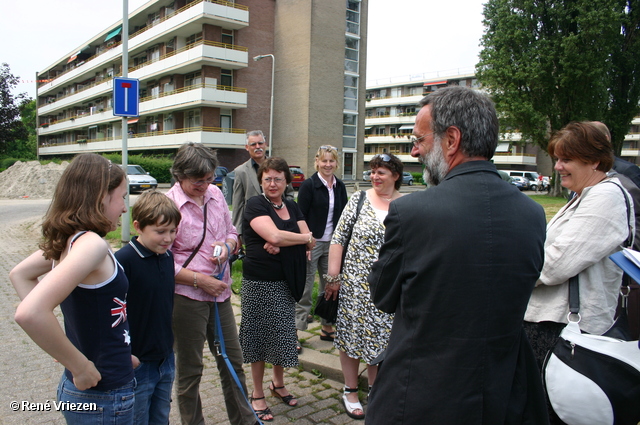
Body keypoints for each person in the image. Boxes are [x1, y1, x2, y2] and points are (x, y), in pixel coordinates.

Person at [367, 86, 549, 424]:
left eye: (420, 140)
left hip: (421, 396)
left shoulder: (411, 212)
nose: (415, 151)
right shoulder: (532, 214)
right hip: (503, 398)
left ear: (451, 140)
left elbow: (383, 295)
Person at [9, 153, 136, 424]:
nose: (125, 208)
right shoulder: (91, 245)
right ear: (102, 196)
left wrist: (64, 348)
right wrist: (79, 365)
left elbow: (20, 274)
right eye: (122, 196)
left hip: (93, 390)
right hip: (102, 395)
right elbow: (30, 313)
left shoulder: (70, 241)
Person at [524, 122, 634, 424]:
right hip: (552, 325)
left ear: (595, 160)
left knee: (555, 414)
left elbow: (556, 263)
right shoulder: (585, 194)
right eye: (557, 158)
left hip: (567, 331)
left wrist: (507, 270)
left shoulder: (605, 197)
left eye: (566, 159)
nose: (558, 166)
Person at [165, 143, 255, 425]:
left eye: (209, 178)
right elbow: (161, 260)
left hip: (220, 293)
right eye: (197, 181)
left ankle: (244, 420)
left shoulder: (215, 194)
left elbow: (231, 231)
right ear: (180, 174)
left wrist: (228, 246)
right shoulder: (169, 205)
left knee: (232, 362)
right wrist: (200, 280)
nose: (205, 185)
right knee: (191, 370)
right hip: (187, 298)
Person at [323, 153, 403, 420]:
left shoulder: (407, 205)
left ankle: (377, 393)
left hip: (389, 288)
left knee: (382, 341)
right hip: (355, 286)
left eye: (381, 172)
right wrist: (333, 278)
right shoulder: (358, 200)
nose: (375, 177)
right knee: (351, 337)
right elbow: (338, 238)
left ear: (396, 175)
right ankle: (350, 390)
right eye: (372, 171)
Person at [239, 157, 315, 422]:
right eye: (267, 178)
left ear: (286, 181)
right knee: (259, 339)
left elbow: (311, 242)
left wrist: (286, 241)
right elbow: (278, 236)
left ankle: (278, 384)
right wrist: (292, 239)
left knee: (282, 337)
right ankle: (257, 392)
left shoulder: (292, 207)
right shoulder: (255, 204)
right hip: (259, 282)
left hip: (285, 283)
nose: (273, 183)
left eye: (278, 179)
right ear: (262, 181)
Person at [114, 190, 181, 425]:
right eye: (160, 232)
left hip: (165, 356)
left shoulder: (167, 256)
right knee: (138, 418)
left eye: (173, 231)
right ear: (138, 227)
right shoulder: (123, 261)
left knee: (161, 417)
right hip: (138, 361)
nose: (168, 238)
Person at [295, 145, 348, 346]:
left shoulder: (340, 186)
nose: (327, 165)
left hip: (333, 244)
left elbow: (343, 216)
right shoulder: (309, 185)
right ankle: (295, 332)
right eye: (324, 161)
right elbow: (300, 216)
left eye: (331, 161)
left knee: (330, 286)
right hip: (313, 243)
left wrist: (342, 244)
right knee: (306, 288)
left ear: (336, 163)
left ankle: (327, 327)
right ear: (317, 161)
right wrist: (306, 242)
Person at [232, 130, 294, 242]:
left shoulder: (280, 167)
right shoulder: (240, 172)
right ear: (247, 147)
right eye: (253, 144)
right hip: (254, 229)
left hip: (280, 227)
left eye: (260, 143)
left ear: (265, 144)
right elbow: (238, 205)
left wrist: (282, 211)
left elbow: (289, 193)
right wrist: (238, 234)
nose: (258, 147)